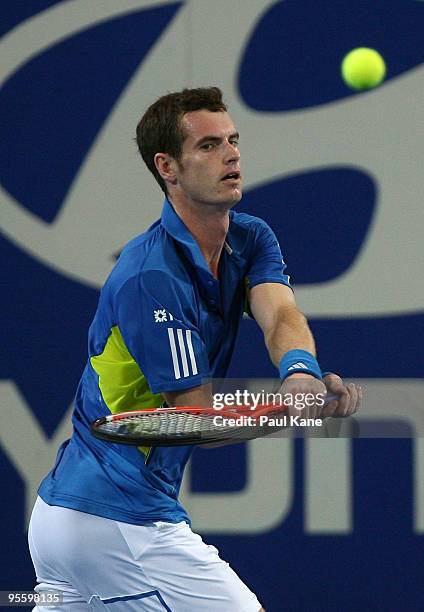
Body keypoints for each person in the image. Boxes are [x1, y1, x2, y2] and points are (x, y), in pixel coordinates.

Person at [28, 87, 361, 611]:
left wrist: (300, 372)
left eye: (232, 140)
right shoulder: (151, 277)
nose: (231, 155)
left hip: (66, 520)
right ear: (168, 167)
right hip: (116, 518)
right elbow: (194, 417)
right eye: (208, 146)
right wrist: (286, 413)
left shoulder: (250, 238)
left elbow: (280, 314)